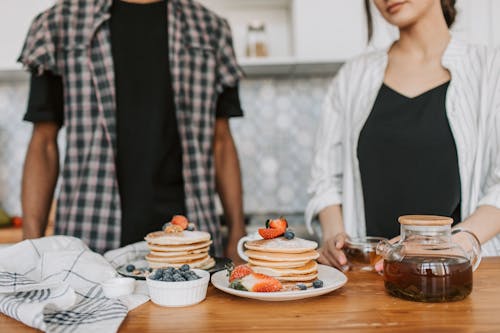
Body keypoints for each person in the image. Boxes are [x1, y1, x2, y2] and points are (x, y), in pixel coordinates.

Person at [19, 0, 246, 261]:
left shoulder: (210, 29)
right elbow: (43, 144)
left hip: (191, 244)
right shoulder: (57, 25)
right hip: (89, 241)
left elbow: (222, 142)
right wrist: (30, 248)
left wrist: (237, 231)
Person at [306, 0, 500, 269]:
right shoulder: (352, 77)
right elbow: (325, 180)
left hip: (463, 280)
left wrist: (450, 245)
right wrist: (334, 237)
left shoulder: (491, 70)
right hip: (367, 282)